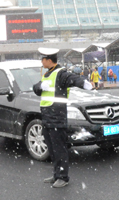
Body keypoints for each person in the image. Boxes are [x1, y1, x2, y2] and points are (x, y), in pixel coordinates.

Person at [33, 48, 93, 188]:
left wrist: (84, 83)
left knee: (60, 149)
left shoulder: (60, 74)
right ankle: (56, 175)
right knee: (52, 149)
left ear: (48, 60)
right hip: (47, 117)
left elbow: (72, 78)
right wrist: (40, 85)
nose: (41, 61)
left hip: (57, 117)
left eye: (43, 59)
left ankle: (63, 177)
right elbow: (36, 89)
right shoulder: (47, 74)